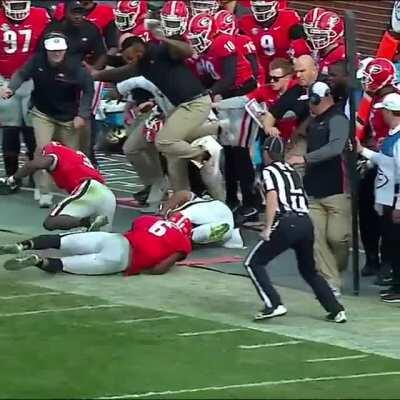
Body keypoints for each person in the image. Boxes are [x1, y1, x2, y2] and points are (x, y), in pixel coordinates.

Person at [88, 35, 219, 196]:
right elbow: (122, 72)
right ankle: (180, 196)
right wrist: (96, 75)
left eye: (130, 57)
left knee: (164, 141)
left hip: (194, 103)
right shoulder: (141, 65)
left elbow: (187, 51)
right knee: (168, 153)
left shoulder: (161, 51)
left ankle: (203, 153)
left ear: (139, 51)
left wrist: (164, 38)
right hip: (176, 110)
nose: (129, 61)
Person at [244, 135, 347, 322]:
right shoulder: (291, 171)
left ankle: (273, 304)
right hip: (305, 222)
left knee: (253, 263)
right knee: (309, 270)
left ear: (267, 153)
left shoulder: (269, 171)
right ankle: (336, 309)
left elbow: (273, 198)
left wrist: (267, 227)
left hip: (287, 221)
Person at [1, 32, 95, 208]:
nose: (56, 54)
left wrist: (82, 114)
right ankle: (44, 190)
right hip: (42, 112)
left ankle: (75, 192)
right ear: (46, 50)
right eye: (52, 51)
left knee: (70, 157)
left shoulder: (75, 67)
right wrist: (11, 88)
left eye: (59, 50)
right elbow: (21, 73)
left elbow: (88, 90)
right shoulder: (37, 61)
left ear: (65, 50)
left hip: (68, 116)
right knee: (43, 150)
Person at [288, 81, 351, 296]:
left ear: (321, 99)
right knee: (316, 238)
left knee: (337, 237)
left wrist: (305, 159)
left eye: (311, 102)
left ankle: (336, 268)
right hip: (314, 189)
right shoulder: (314, 122)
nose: (309, 106)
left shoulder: (338, 119)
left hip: (337, 189)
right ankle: (332, 281)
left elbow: (335, 147)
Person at [1, 214, 192, 276]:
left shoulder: (149, 219)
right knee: (64, 265)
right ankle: (38, 261)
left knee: (60, 240)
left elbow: (134, 229)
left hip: (114, 239)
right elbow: (160, 268)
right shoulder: (183, 241)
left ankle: (22, 245)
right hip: (121, 259)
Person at [0, 141, 116, 232]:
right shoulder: (75, 156)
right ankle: (91, 223)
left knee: (51, 222)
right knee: (100, 239)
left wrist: (12, 179)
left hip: (89, 188)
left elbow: (35, 165)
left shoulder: (53, 152)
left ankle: (89, 221)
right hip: (107, 195)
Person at [0, 0, 50, 188]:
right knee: (10, 127)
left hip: (32, 79)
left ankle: (34, 174)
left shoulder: (41, 15)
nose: (18, 10)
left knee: (32, 127)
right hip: (4, 79)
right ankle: (12, 176)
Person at [357, 58, 399, 283]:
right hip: (374, 159)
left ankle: (388, 263)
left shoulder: (393, 102)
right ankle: (372, 257)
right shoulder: (372, 100)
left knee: (388, 218)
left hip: (390, 163)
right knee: (367, 210)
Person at [238, 0, 301, 79]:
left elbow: (300, 45)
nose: (261, 11)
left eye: (264, 7)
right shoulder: (245, 23)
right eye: (258, 8)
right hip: (258, 71)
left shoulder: (288, 18)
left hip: (285, 70)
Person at [162, 190, 244, 248]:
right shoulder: (188, 212)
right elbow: (184, 194)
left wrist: (163, 213)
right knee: (191, 234)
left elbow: (183, 194)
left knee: (188, 231)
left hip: (216, 212)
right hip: (217, 214)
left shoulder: (187, 212)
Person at [53, 0, 118, 54]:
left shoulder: (106, 12)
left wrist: (101, 62)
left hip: (93, 58)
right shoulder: (62, 9)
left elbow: (113, 47)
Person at [303, 9, 346, 76]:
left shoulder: (343, 56)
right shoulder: (319, 51)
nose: (315, 38)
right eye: (312, 33)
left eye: (320, 35)